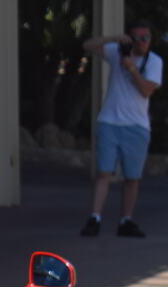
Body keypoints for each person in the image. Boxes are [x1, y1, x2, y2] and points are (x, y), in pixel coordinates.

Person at [79, 21, 162, 238]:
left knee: (132, 177)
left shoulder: (154, 61)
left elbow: (146, 91)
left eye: (147, 38)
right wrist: (114, 38)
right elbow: (87, 45)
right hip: (109, 122)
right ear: (130, 39)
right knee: (104, 172)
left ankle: (127, 220)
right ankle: (95, 217)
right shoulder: (116, 52)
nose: (143, 42)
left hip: (137, 126)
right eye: (138, 38)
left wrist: (132, 69)